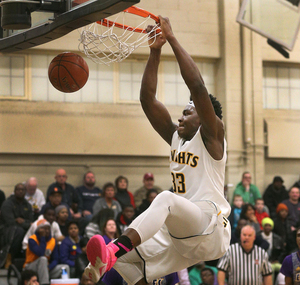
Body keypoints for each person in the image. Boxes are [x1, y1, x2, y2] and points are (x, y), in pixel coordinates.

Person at [84, 16, 231, 285]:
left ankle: (113, 248)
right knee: (124, 263)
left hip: (210, 226)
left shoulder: (213, 134)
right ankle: (114, 254)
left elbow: (197, 87)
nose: (182, 115)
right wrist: (155, 51)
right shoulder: (176, 137)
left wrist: (172, 39)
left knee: (165, 199)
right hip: (183, 233)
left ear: (205, 116)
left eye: (189, 111)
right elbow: (147, 100)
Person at [23, 219, 70, 284]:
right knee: (43, 259)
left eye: (48, 229)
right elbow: (40, 253)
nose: (47, 231)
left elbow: (56, 259)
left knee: (64, 268)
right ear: (39, 230)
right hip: (30, 267)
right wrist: (42, 237)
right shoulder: (32, 239)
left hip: (45, 268)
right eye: (44, 229)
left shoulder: (53, 241)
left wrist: (49, 267)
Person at [0, 183, 34, 265]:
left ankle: (30, 259)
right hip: (5, 229)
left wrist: (23, 222)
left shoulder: (28, 205)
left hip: (23, 228)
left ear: (25, 192)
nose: (20, 191)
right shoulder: (7, 204)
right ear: (14, 191)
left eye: (22, 190)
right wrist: (26, 223)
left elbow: (31, 222)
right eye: (18, 190)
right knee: (19, 232)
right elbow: (10, 222)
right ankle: (9, 258)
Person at [260, 217, 285, 284]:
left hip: (274, 261)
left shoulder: (277, 238)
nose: (268, 227)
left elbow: (282, 251)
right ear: (263, 226)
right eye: (266, 225)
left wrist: (278, 260)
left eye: (269, 225)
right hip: (261, 262)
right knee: (270, 269)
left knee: (284, 269)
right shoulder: (258, 237)